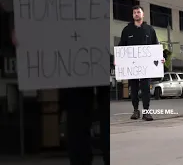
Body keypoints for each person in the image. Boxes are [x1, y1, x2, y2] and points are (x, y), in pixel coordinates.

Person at [11, 30, 109, 165]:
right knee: (79, 120)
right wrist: (24, 28)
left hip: (87, 52)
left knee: (86, 118)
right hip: (76, 55)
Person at [118, 5, 162, 121]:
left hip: (146, 67)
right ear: (133, 15)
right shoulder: (127, 30)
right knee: (134, 89)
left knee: (146, 89)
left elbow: (155, 46)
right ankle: (136, 111)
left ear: (143, 14)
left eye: (138, 12)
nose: (136, 14)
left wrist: (160, 58)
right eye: (134, 13)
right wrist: (118, 60)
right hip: (132, 67)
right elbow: (121, 47)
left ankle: (146, 112)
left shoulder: (149, 30)